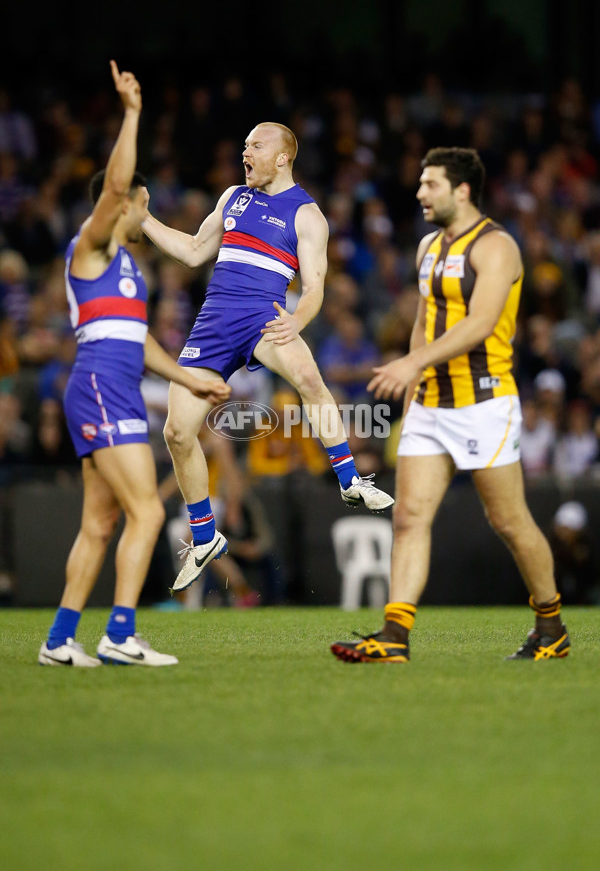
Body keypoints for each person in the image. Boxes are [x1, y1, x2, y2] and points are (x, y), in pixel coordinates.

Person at [331, 147, 570, 664]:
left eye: (430, 184)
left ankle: (551, 624)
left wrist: (412, 364)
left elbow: (481, 323)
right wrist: (415, 372)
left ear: (462, 190)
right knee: (409, 517)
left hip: (483, 401)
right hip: (432, 404)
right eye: (420, 183)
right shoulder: (427, 248)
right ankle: (394, 637)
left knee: (508, 520)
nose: (419, 193)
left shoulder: (498, 246)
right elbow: (425, 319)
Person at [140, 121, 394, 594]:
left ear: (282, 157)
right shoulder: (233, 196)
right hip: (214, 321)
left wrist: (297, 321)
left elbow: (316, 287)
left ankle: (350, 477)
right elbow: (195, 252)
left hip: (266, 315)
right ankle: (203, 537)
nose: (245, 152)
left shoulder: (308, 215)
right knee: (177, 430)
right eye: (244, 146)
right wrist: (146, 220)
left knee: (310, 379)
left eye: (255, 145)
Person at [38, 62, 230, 668]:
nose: (147, 214)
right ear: (126, 202)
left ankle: (58, 641)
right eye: (142, 205)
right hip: (99, 387)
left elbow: (139, 341)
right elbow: (118, 188)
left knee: (101, 523)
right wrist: (133, 113)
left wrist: (186, 376)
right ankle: (120, 632)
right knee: (147, 511)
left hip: (111, 386)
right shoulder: (91, 245)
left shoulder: (126, 270)